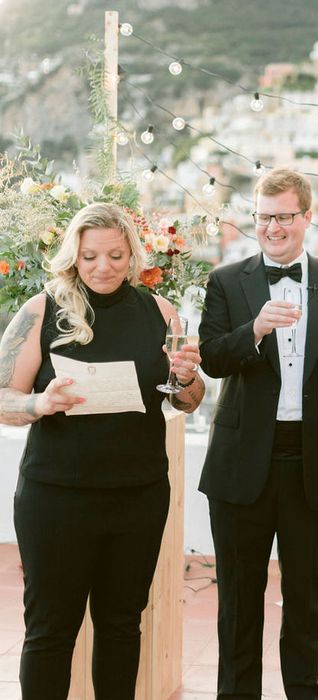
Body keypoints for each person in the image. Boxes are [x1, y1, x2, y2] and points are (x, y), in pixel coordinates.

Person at [0, 202, 204, 699]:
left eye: (115, 255)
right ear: (75, 255)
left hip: (137, 496)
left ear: (132, 254)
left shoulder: (159, 311)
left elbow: (189, 401)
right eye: (91, 256)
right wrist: (40, 402)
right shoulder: (41, 309)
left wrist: (186, 377)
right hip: (56, 499)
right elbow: (3, 399)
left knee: (121, 624)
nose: (103, 266)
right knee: (50, 629)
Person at [198, 168, 318, 699]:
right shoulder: (227, 282)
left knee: (305, 596)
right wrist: (254, 329)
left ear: (306, 217)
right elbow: (210, 360)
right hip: (240, 463)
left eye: (284, 217)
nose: (273, 228)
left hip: (314, 462)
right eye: (263, 217)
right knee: (238, 598)